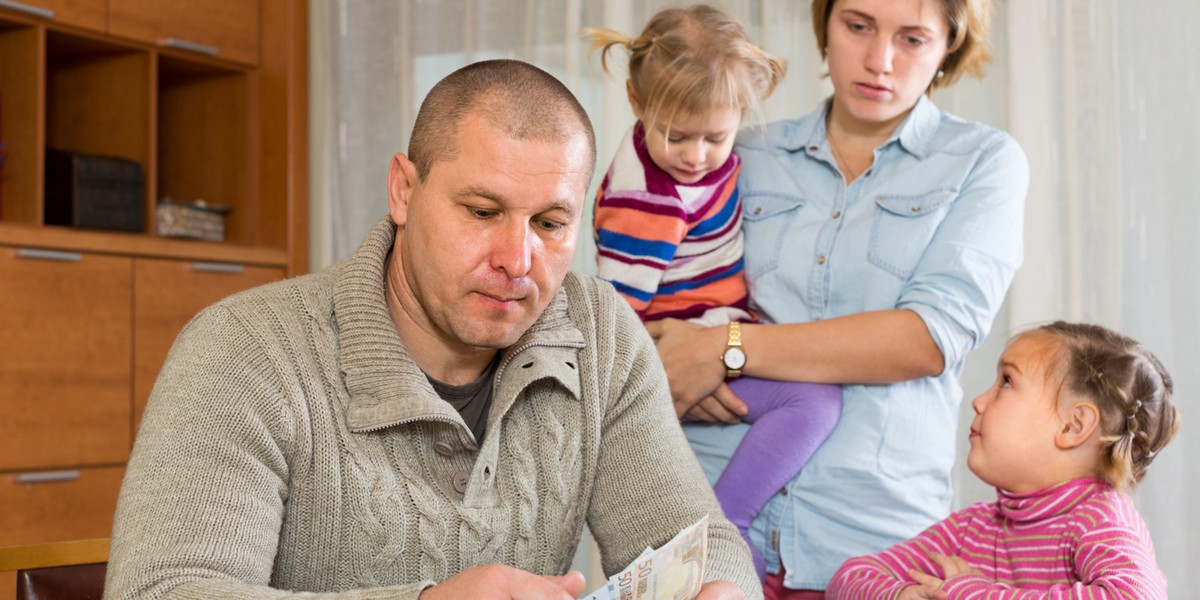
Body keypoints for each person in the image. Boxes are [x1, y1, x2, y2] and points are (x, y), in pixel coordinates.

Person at [102, 59, 759, 600]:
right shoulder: (244, 350)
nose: (516, 259)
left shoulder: (601, 334)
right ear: (403, 192)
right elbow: (163, 590)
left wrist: (720, 588)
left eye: (550, 224)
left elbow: (701, 543)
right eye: (482, 210)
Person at [646, 0, 1029, 596]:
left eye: (913, 40)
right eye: (857, 26)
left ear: (949, 45)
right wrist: (671, 357)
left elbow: (927, 339)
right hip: (702, 521)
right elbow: (659, 297)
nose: (880, 61)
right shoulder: (740, 150)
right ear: (824, 23)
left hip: (871, 545)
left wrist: (727, 347)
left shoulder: (983, 163)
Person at [585, 5, 842, 582]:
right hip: (684, 343)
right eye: (677, 136)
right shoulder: (646, 203)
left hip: (714, 333)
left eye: (716, 137)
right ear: (635, 102)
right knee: (817, 401)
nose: (696, 156)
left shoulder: (693, 159)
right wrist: (663, 383)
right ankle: (727, 523)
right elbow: (616, 315)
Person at [827, 321, 1180, 599]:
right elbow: (848, 579)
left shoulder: (1100, 519)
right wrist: (898, 594)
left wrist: (971, 592)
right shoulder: (971, 528)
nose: (979, 401)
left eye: (1007, 382)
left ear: (1074, 426)